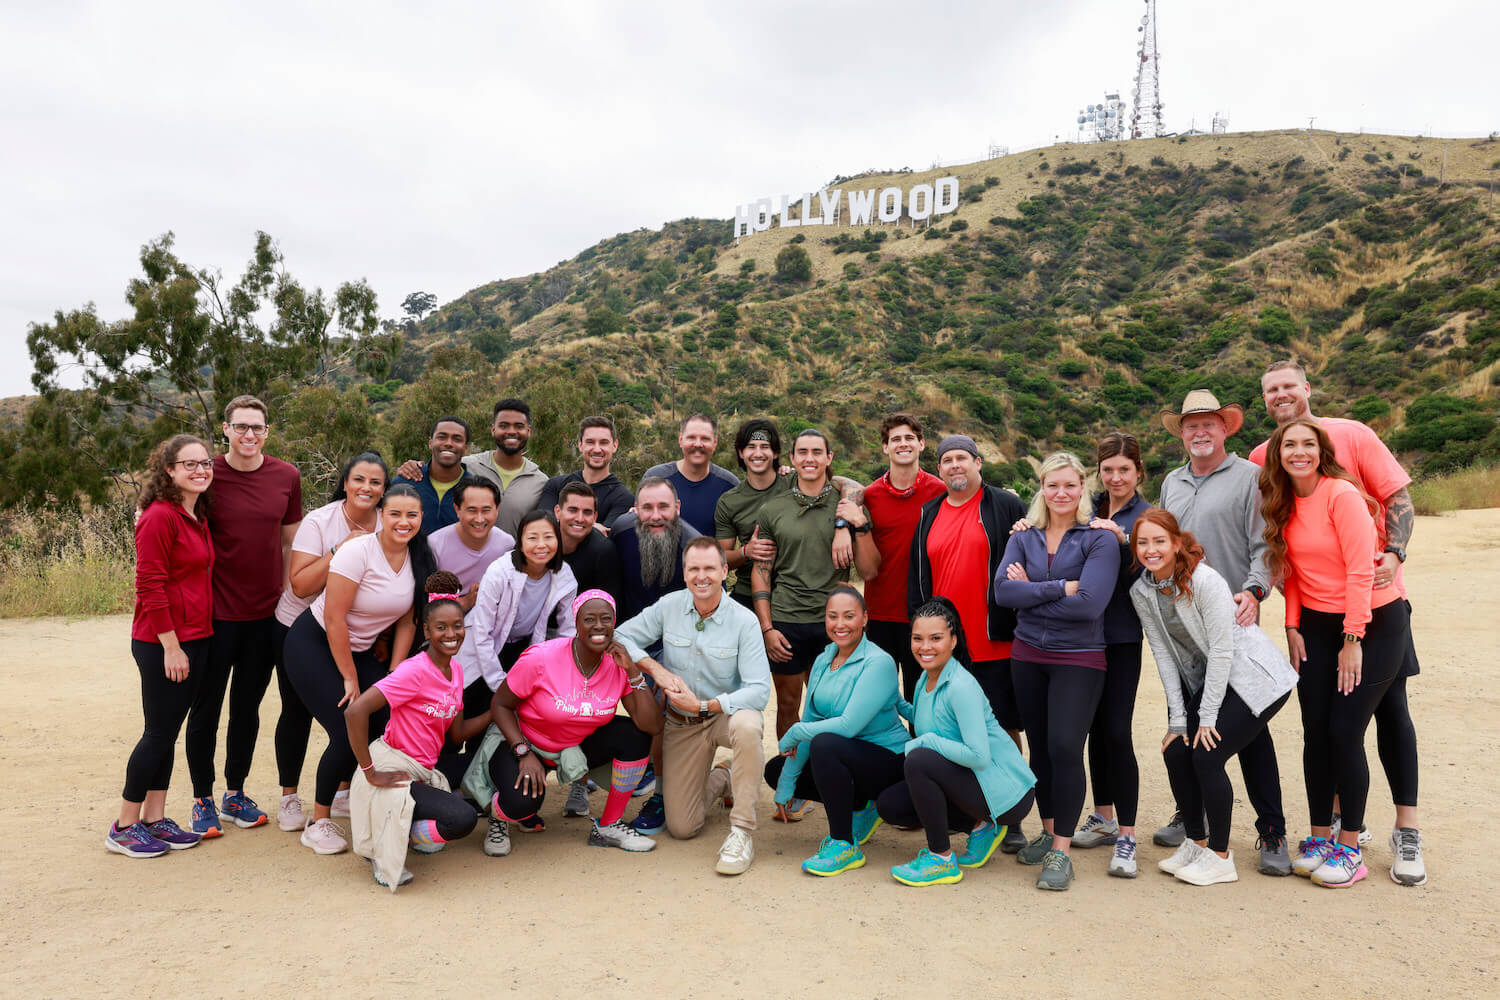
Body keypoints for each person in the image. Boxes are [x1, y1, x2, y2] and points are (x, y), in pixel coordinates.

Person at [1250, 360, 1424, 885]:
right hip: (1317, 625)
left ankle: (1377, 836)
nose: (1296, 452)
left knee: (1369, 723)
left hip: (1372, 616)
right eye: (1271, 390)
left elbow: (1373, 539)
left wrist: (1391, 558)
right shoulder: (1275, 485)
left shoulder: (1346, 472)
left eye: (1288, 386)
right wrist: (1293, 625)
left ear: (1307, 390)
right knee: (1317, 731)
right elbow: (1291, 568)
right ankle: (1323, 835)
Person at [1156, 389, 1291, 875]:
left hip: (1236, 625)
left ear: (1225, 428)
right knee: (1196, 726)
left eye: (1208, 423)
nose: (1199, 432)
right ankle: (1195, 818)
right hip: (1189, 633)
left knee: (1249, 734)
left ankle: (1271, 832)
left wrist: (1254, 592)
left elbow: (1266, 544)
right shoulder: (1172, 482)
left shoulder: (1250, 478)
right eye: (1191, 425)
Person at [1129, 510, 1298, 886]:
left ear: (1176, 543)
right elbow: (1163, 656)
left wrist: (1206, 719)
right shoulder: (1142, 591)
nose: (1151, 550)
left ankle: (1220, 857)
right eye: (1143, 542)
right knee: (1176, 749)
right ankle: (1197, 841)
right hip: (1217, 684)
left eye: (1159, 541)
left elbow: (1222, 651)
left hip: (1256, 679)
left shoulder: (1205, 580)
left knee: (1207, 753)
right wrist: (1178, 720)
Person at [283, 483, 435, 856]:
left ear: (420, 519)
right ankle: (318, 822)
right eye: (394, 513)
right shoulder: (357, 551)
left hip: (362, 648)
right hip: (315, 643)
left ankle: (343, 794)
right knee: (346, 723)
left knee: (384, 720)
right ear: (381, 515)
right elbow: (334, 618)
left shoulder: (419, 557)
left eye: (411, 515)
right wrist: (350, 677)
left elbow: (408, 621)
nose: (403, 521)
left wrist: (396, 674)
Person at [992, 451, 1119, 891]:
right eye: (1052, 485)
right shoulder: (1024, 535)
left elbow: (1090, 605)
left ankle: (1061, 852)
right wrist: (1055, 587)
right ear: (1041, 489)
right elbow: (1004, 594)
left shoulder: (1097, 539)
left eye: (1069, 485)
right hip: (1027, 655)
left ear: (1082, 488)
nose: (1061, 493)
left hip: (1078, 657)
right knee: (1041, 749)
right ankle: (1049, 831)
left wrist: (1031, 589)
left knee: (1066, 747)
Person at [616, 537, 772, 875]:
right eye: (694, 569)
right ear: (684, 573)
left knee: (748, 726)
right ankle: (724, 776)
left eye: (710, 569)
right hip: (682, 722)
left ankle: (741, 831)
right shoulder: (668, 606)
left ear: (725, 571)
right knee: (683, 827)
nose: (702, 577)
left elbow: (760, 691)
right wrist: (656, 669)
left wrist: (707, 705)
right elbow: (620, 636)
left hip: (723, 716)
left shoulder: (744, 621)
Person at [186, 395, 302, 838]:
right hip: (213, 616)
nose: (249, 435)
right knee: (206, 708)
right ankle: (203, 799)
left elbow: (291, 543)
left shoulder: (286, 476)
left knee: (247, 709)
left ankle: (235, 793)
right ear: (226, 429)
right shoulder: (206, 473)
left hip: (264, 615)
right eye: (241, 427)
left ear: (267, 432)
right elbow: (172, 512)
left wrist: (292, 597)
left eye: (257, 427)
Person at [907, 434, 1029, 850]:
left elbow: (1037, 538)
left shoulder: (1005, 505)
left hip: (993, 638)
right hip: (945, 647)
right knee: (950, 727)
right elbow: (919, 576)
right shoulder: (929, 512)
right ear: (939, 469)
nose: (955, 465)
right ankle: (968, 810)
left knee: (1002, 727)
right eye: (946, 460)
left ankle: (1010, 814)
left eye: (962, 458)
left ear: (979, 463)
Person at [875, 598, 1037, 887]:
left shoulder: (961, 686)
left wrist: (928, 741)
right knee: (891, 806)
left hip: (1007, 793)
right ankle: (980, 826)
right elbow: (931, 719)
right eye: (918, 639)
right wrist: (896, 703)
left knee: (920, 759)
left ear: (953, 639)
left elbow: (977, 756)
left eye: (936, 638)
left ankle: (941, 859)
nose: (925, 647)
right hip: (974, 784)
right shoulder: (926, 677)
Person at [485, 591, 663, 853]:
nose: (599, 626)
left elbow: (652, 726)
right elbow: (500, 705)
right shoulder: (542, 657)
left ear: (615, 622)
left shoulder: (618, 664)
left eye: (606, 618)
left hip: (575, 745)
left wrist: (633, 671)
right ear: (576, 623)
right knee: (522, 805)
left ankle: (608, 825)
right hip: (526, 742)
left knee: (635, 735)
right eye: (589, 619)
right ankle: (498, 818)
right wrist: (522, 752)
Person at [345, 572, 491, 889]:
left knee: (486, 768)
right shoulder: (413, 670)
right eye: (441, 627)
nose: (451, 634)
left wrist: (496, 712)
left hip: (422, 769)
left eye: (457, 626)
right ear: (427, 630)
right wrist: (370, 771)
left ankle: (405, 826)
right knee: (462, 819)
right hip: (393, 767)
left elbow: (457, 734)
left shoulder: (456, 670)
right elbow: (355, 711)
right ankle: (388, 838)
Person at [107, 434, 215, 858]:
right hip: (163, 643)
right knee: (157, 733)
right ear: (168, 470)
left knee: (168, 732)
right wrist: (171, 646)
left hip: (195, 637)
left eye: (204, 463)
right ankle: (124, 825)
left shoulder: (195, 513)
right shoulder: (158, 517)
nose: (200, 470)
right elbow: (149, 586)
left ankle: (155, 818)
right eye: (189, 464)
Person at [271, 451, 386, 831]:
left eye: (375, 482)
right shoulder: (321, 521)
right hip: (300, 627)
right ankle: (289, 797)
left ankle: (340, 792)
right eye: (359, 480)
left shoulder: (390, 523)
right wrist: (344, 548)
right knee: (297, 712)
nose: (366, 488)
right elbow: (301, 585)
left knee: (359, 711)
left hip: (357, 636)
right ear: (345, 483)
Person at [764, 586, 909, 877]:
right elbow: (811, 719)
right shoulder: (823, 659)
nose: (840, 624)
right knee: (776, 770)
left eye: (849, 616)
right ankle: (859, 806)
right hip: (846, 758)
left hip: (890, 762)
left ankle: (843, 845)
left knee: (825, 744)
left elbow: (848, 726)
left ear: (865, 619)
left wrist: (798, 731)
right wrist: (786, 786)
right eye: (833, 616)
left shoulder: (878, 662)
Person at [752, 429, 874, 755]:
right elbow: (761, 572)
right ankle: (789, 780)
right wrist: (766, 629)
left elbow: (870, 569)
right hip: (787, 620)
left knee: (835, 707)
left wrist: (849, 528)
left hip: (834, 624)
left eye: (817, 452)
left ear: (829, 458)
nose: (810, 458)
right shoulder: (772, 509)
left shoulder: (848, 506)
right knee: (788, 705)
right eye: (802, 452)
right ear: (792, 459)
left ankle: (831, 777)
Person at [460, 509, 578, 840]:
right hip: (484, 651)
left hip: (526, 649)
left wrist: (557, 673)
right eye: (532, 537)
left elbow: (568, 630)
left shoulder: (564, 575)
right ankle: (472, 794)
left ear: (558, 539)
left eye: (548, 537)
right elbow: (482, 633)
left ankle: (509, 801)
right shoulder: (500, 572)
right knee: (478, 715)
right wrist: (500, 684)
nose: (541, 545)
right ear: (520, 542)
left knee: (514, 722)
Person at [1072, 433, 1153, 876]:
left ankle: (1127, 835)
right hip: (1081, 637)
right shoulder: (1086, 509)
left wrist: (1124, 537)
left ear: (1139, 472)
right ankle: (1102, 816)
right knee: (1092, 731)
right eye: (1108, 469)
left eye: (1125, 469)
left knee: (1117, 733)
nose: (1116, 477)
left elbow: (1158, 564)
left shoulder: (1147, 516)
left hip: (1122, 637)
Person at [610, 476, 703, 832]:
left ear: (677, 508)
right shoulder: (621, 532)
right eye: (647, 507)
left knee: (665, 713)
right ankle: (632, 767)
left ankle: (662, 796)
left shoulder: (692, 545)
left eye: (664, 507)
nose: (655, 515)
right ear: (635, 510)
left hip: (676, 644)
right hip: (628, 639)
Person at [859, 414, 944, 702]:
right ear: (885, 447)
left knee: (921, 701)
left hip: (925, 614)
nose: (903, 444)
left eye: (909, 438)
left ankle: (920, 749)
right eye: (895, 439)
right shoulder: (869, 495)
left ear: (921, 444)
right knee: (878, 701)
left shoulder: (940, 492)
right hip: (879, 613)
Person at [398, 399, 545, 537]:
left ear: (529, 431)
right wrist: (413, 466)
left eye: (519, 426)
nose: (511, 431)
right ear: (493, 430)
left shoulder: (540, 481)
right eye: (504, 425)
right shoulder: (467, 465)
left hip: (512, 561)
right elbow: (440, 465)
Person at [714, 418, 790, 610]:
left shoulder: (794, 483)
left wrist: (841, 529)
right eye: (750, 446)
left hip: (793, 594)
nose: (758, 453)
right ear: (741, 452)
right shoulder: (729, 501)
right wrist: (746, 552)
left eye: (765, 446)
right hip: (747, 593)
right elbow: (721, 559)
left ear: (775, 452)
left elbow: (837, 484)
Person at [642, 412, 739, 536]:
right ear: (681, 440)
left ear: (715, 443)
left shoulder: (729, 486)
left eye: (705, 438)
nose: (698, 444)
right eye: (691, 437)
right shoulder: (655, 477)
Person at [537, 415, 634, 530]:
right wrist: (592, 527)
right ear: (580, 445)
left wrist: (563, 522)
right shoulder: (555, 486)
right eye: (590, 442)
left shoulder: (623, 497)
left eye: (603, 442)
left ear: (614, 446)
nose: (597, 449)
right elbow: (543, 527)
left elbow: (604, 541)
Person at [390, 416, 469, 538]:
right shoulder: (403, 483)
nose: (448, 443)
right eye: (442, 437)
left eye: (457, 439)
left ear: (466, 448)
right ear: (430, 443)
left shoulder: (474, 490)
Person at [555, 481, 625, 598]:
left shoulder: (603, 551)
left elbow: (609, 606)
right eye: (573, 510)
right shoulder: (539, 540)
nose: (580, 518)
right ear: (558, 512)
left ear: (595, 517)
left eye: (587, 512)